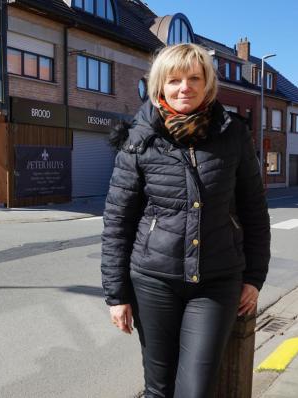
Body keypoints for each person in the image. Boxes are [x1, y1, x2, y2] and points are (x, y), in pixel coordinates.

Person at [101, 43, 270, 398]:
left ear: (208, 83)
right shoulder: (139, 140)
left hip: (216, 281)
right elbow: (118, 221)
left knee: (195, 390)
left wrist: (254, 277)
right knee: (158, 389)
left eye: (194, 78)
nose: (184, 88)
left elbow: (254, 210)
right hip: (153, 281)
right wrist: (116, 295)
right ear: (159, 85)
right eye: (174, 79)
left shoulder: (233, 135)